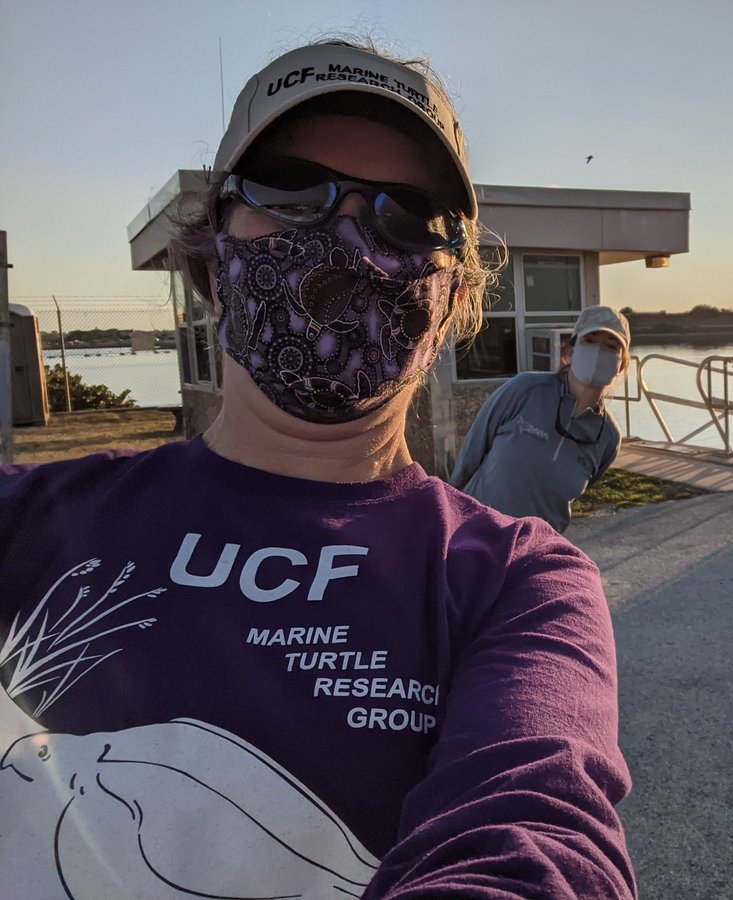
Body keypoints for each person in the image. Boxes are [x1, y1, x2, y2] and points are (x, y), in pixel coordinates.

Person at [0, 40, 636, 898]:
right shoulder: (29, 521)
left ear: (452, 293)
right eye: (293, 191)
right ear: (210, 254)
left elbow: (536, 838)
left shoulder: (519, 582)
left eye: (408, 217)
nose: (349, 242)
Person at [449, 305, 629, 532]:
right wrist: (447, 516)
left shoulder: (608, 437)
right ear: (571, 350)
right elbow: (470, 456)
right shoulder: (525, 389)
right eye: (590, 341)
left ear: (622, 364)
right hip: (473, 533)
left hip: (533, 555)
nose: (598, 352)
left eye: (611, 346)